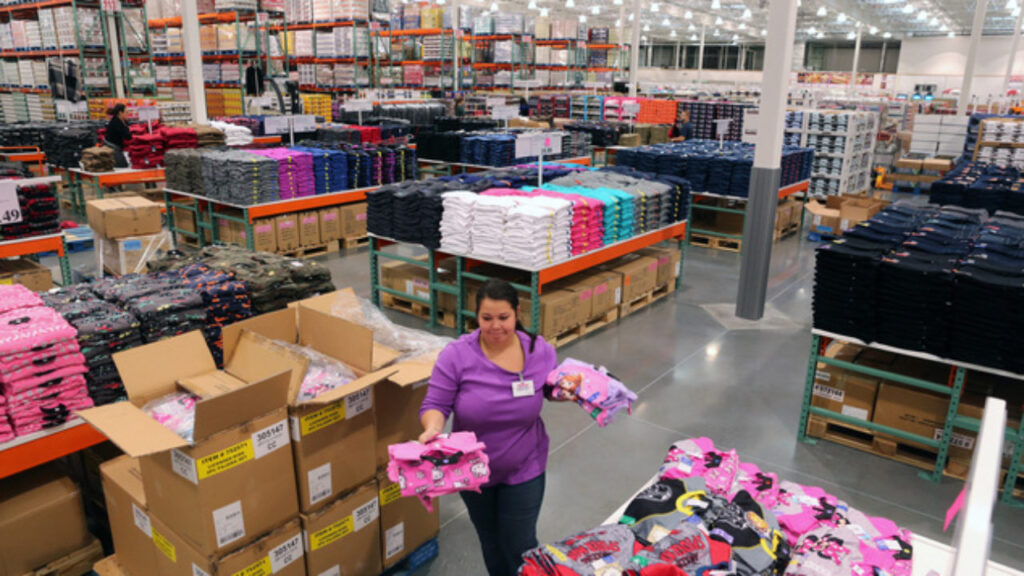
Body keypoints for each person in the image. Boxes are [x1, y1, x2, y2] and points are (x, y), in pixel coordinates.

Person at [418, 279, 562, 576]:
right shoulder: (457, 355)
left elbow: (550, 388)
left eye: (503, 317)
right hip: (472, 470)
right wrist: (432, 428)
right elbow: (435, 403)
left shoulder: (539, 351)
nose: (495, 326)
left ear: (517, 313)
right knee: (491, 542)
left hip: (525, 464)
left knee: (520, 545)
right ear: (476, 317)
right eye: (486, 318)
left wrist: (572, 390)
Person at [103, 103, 131, 168]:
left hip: (116, 146)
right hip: (112, 148)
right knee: (122, 166)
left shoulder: (123, 121)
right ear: (120, 113)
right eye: (126, 112)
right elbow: (127, 136)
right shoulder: (116, 122)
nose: (128, 114)